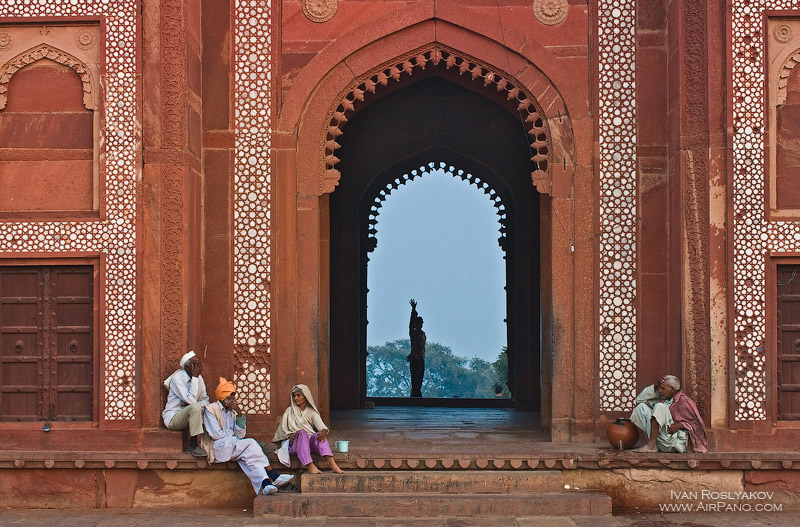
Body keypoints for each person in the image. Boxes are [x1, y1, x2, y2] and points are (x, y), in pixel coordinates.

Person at [204, 378, 293, 495]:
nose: (233, 399)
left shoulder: (233, 412)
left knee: (251, 457)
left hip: (234, 446)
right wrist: (233, 436)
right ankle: (273, 474)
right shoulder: (210, 409)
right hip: (217, 447)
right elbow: (216, 435)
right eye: (230, 396)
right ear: (222, 396)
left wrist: (239, 413)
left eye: (234, 396)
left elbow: (241, 435)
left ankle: (266, 484)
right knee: (251, 443)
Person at [272, 384, 344, 474]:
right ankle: (310, 466)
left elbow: (322, 427)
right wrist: (290, 435)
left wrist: (323, 433)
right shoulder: (289, 411)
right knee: (302, 433)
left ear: (306, 397)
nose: (296, 398)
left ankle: (334, 466)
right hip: (294, 444)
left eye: (299, 395)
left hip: (309, 443)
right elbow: (282, 431)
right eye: (294, 396)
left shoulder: (311, 412)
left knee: (319, 437)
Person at [630, 374, 708, 453]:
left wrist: (681, 425)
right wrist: (655, 386)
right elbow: (639, 401)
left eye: (663, 388)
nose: (660, 391)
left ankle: (651, 446)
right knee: (641, 407)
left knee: (660, 406)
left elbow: (698, 425)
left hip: (673, 442)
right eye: (659, 388)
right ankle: (652, 444)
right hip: (660, 441)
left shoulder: (684, 400)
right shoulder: (663, 399)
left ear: (672, 389)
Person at [162, 350, 209, 456]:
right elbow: (192, 401)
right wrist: (195, 378)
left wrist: (202, 407)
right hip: (173, 418)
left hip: (190, 415)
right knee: (195, 406)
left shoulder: (199, 378)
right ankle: (193, 445)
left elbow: (204, 399)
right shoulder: (178, 378)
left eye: (199, 363)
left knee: (210, 407)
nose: (199, 366)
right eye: (196, 364)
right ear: (188, 367)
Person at [407, 298, 426, 397]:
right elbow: (410, 324)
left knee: (420, 379)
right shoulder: (413, 333)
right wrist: (413, 311)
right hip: (415, 358)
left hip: (421, 358)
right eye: (418, 323)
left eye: (421, 323)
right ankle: (416, 397)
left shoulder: (423, 334)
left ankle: (415, 396)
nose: (420, 325)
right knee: (414, 379)